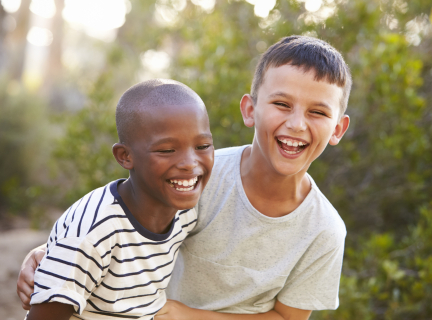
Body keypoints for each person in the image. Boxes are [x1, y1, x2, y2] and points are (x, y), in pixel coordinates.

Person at [18, 35, 351, 320]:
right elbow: (119, 221)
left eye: (317, 112)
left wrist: (184, 314)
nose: (296, 124)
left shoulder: (324, 231)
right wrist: (52, 253)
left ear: (337, 129)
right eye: (282, 103)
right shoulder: (198, 174)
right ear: (250, 110)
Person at [21, 79, 215, 320]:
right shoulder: (93, 235)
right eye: (166, 150)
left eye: (203, 145)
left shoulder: (185, 209)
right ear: (125, 156)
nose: (189, 163)